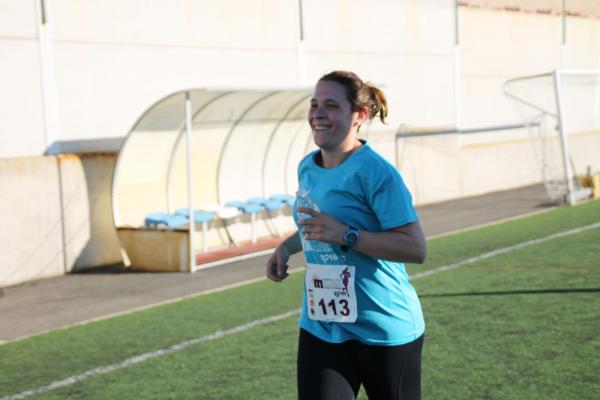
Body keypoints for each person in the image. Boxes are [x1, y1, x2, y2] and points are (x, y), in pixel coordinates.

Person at [266, 70, 427, 400]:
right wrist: (286, 248)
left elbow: (415, 248)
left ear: (360, 116)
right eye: (314, 104)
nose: (318, 114)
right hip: (323, 324)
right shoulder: (306, 167)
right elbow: (316, 226)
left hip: (383, 326)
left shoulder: (376, 172)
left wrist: (347, 236)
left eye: (331, 105)